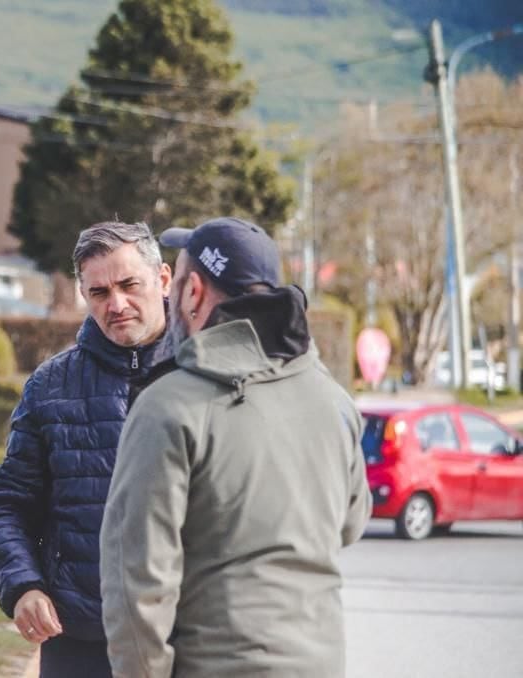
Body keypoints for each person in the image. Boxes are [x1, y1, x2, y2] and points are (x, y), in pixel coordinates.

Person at [100, 216, 371, 678]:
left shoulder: (168, 406)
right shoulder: (333, 400)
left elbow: (137, 585)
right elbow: (350, 522)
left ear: (193, 292)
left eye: (177, 280)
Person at [0, 220, 172, 677]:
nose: (117, 304)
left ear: (163, 280)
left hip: (186, 636)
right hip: (80, 638)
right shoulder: (51, 385)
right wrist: (23, 586)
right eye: (99, 292)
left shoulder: (206, 376)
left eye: (129, 285)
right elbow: (5, 505)